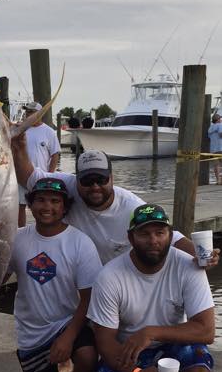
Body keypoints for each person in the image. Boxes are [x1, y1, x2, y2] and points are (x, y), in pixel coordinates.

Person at [88, 204, 215, 372]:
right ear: (131, 237)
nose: (153, 240)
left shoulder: (188, 266)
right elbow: (105, 343)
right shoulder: (110, 276)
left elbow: (207, 330)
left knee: (200, 364)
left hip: (169, 342)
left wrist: (152, 332)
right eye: (145, 234)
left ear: (170, 234)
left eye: (160, 232)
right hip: (128, 350)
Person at [12, 139, 220, 268]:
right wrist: (19, 145)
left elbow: (170, 237)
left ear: (112, 178)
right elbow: (27, 176)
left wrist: (202, 255)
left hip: (118, 280)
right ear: (76, 180)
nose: (95, 186)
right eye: (87, 180)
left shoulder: (131, 205)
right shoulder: (67, 186)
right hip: (78, 276)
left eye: (101, 180)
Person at [9, 178, 101, 372]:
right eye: (40, 199)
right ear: (30, 204)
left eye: (54, 201)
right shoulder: (16, 238)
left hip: (67, 322)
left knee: (87, 355)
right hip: (32, 329)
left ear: (64, 207)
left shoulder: (80, 242)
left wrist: (68, 338)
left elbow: (87, 297)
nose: (46, 206)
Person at [17, 101, 61, 228]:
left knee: (40, 205)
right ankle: (21, 230)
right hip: (21, 176)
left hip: (40, 176)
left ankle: (41, 230)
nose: (28, 114)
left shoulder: (49, 132)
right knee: (20, 205)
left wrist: (49, 175)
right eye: (27, 111)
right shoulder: (21, 130)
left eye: (31, 111)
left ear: (40, 113)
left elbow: (55, 155)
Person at [208, 112, 222, 184]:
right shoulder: (220, 125)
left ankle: (218, 180)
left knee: (216, 165)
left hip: (213, 149)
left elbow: (209, 137)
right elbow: (220, 134)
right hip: (220, 147)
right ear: (218, 120)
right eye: (220, 118)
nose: (221, 119)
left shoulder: (210, 128)